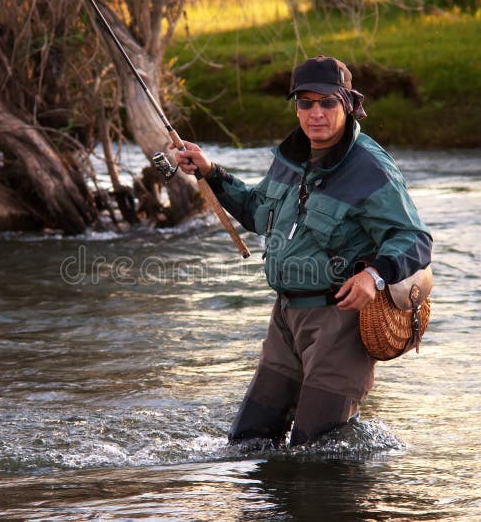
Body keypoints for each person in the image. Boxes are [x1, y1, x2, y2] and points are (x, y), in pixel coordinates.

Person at [174, 56, 433, 447]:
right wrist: (211, 172)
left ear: (348, 104)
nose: (315, 113)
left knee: (315, 450)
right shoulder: (290, 158)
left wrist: (373, 275)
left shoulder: (371, 168)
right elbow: (257, 211)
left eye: (327, 102)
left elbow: (415, 240)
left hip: (340, 324)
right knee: (248, 440)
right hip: (285, 321)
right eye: (305, 103)